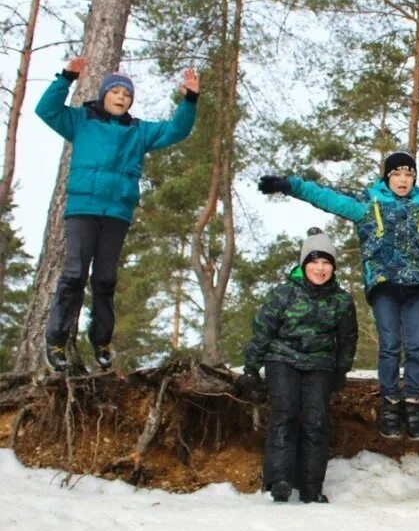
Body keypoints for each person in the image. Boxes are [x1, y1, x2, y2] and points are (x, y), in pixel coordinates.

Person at [257, 152, 419, 441]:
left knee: (417, 345)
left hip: (416, 285)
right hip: (383, 284)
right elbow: (326, 197)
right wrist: (291, 185)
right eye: (397, 174)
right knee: (390, 346)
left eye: (408, 175)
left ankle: (411, 403)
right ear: (388, 177)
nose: (403, 180)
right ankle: (389, 404)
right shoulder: (368, 203)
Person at [35, 56, 199, 371]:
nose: (121, 98)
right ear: (104, 94)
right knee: (74, 275)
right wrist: (66, 77)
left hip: (117, 213)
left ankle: (101, 341)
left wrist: (190, 98)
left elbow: (177, 130)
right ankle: (56, 340)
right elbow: (47, 110)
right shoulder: (81, 121)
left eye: (127, 95)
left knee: (105, 279)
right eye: (116, 92)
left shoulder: (138, 132)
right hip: (83, 209)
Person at [236, 228, 357, 504]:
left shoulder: (341, 300)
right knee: (286, 413)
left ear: (333, 267)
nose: (320, 268)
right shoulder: (285, 293)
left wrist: (341, 369)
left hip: (320, 364)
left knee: (316, 421)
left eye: (326, 262)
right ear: (304, 265)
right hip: (283, 359)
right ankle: (278, 481)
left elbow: (348, 338)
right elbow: (263, 329)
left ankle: (311, 487)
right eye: (314, 262)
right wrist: (251, 367)